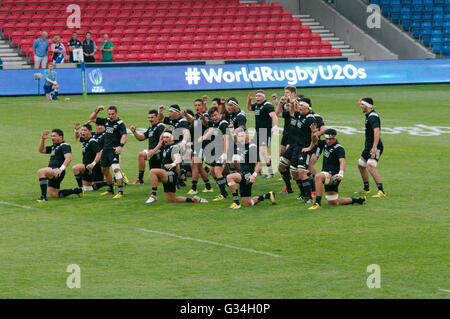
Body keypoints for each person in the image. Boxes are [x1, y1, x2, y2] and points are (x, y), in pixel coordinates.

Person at [309, 129, 366, 210]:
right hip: (327, 175)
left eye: (330, 139)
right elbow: (315, 141)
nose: (328, 141)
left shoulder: (339, 148)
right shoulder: (325, 143)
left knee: (318, 176)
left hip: (334, 175)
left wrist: (341, 173)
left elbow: (342, 161)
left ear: (335, 137)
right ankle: (358, 200)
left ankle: (317, 203)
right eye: (327, 139)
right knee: (333, 202)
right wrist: (314, 132)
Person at [145, 132, 208, 204]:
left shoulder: (174, 147)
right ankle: (195, 200)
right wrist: (158, 145)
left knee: (153, 171)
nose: (165, 139)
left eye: (167, 137)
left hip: (171, 173)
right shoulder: (165, 146)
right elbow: (149, 155)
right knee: (172, 199)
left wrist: (173, 164)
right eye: (164, 137)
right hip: (167, 174)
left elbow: (178, 158)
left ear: (172, 138)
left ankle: (153, 195)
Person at [226, 129, 276, 209]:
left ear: (247, 135)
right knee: (247, 203)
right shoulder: (240, 145)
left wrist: (253, 176)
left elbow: (259, 163)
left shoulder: (251, 147)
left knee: (229, 177)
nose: (240, 138)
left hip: (248, 175)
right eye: (239, 136)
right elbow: (234, 140)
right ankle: (267, 195)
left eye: (242, 136)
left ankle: (236, 203)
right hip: (242, 173)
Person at [89, 105, 127, 198]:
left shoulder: (120, 124)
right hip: (105, 150)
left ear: (116, 113)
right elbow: (92, 118)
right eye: (109, 114)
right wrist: (97, 110)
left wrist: (120, 146)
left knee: (116, 169)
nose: (110, 116)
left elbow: (124, 136)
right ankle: (110, 189)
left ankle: (120, 192)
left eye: (112, 114)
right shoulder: (106, 121)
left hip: (114, 150)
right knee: (104, 169)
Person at [36, 129, 82, 202]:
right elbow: (41, 150)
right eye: (51, 136)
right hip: (53, 171)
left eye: (54, 136)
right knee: (54, 195)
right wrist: (42, 139)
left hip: (57, 170)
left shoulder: (65, 146)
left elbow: (68, 158)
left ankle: (43, 197)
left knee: (41, 172)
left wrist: (61, 169)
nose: (52, 138)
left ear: (60, 137)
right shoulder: (54, 146)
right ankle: (76, 190)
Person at [356, 97, 386, 198]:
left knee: (371, 166)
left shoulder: (373, 116)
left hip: (375, 146)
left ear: (368, 106)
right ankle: (366, 189)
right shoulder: (368, 115)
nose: (361, 106)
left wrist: (374, 148)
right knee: (361, 164)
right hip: (368, 146)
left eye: (362, 104)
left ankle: (381, 191)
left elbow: (377, 131)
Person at [198, 106, 229, 201]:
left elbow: (226, 139)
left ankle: (224, 193)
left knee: (217, 171)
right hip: (216, 150)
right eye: (212, 116)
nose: (214, 117)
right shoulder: (215, 123)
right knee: (212, 171)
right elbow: (207, 123)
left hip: (223, 150)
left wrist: (225, 153)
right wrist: (203, 118)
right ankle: (225, 184)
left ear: (219, 113)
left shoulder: (223, 124)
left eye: (215, 115)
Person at [183, 99, 213, 195]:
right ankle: (208, 187)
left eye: (199, 105)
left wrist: (203, 118)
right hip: (197, 144)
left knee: (194, 164)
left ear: (203, 106)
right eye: (195, 105)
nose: (197, 107)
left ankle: (194, 188)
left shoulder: (205, 115)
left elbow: (207, 123)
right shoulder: (197, 116)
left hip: (202, 144)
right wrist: (186, 115)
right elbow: (193, 122)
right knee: (198, 166)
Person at [246, 89, 279, 178]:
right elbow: (249, 108)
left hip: (265, 132)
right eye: (256, 96)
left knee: (263, 152)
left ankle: (270, 172)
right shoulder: (257, 105)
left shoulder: (267, 105)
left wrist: (275, 126)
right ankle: (259, 169)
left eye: (259, 96)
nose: (257, 98)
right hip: (258, 132)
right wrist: (249, 100)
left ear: (264, 97)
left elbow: (274, 116)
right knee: (252, 149)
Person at [130, 110, 166, 184]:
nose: (150, 119)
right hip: (152, 153)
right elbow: (141, 138)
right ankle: (140, 179)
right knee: (157, 177)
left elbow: (162, 141)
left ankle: (140, 179)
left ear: (157, 117)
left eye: (152, 117)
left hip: (159, 152)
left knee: (141, 154)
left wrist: (154, 151)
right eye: (149, 118)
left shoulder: (161, 126)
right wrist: (134, 132)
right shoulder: (151, 128)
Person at [72, 123, 107, 192]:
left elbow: (99, 153)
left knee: (75, 168)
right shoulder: (85, 140)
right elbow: (78, 138)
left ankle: (80, 189)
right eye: (82, 130)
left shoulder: (92, 142)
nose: (82, 132)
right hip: (89, 166)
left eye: (85, 130)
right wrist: (76, 130)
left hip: (93, 167)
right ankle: (112, 180)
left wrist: (93, 164)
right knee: (89, 188)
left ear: (90, 131)